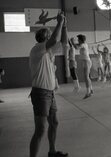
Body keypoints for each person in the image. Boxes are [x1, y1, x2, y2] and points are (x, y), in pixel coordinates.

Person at [29, 12, 68, 157]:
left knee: (54, 122)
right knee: (40, 130)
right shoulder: (38, 48)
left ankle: (52, 151)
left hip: (50, 93)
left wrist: (64, 25)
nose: (52, 35)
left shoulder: (49, 52)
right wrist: (59, 22)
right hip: (40, 93)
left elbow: (63, 42)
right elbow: (55, 39)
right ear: (44, 38)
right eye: (49, 34)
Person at [71, 34, 93, 99]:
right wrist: (72, 42)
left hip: (86, 62)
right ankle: (91, 90)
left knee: (86, 77)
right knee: (87, 77)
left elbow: (76, 47)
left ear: (81, 40)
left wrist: (72, 42)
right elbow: (76, 45)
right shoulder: (83, 44)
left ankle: (88, 92)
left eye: (78, 39)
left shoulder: (83, 44)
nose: (77, 40)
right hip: (86, 61)